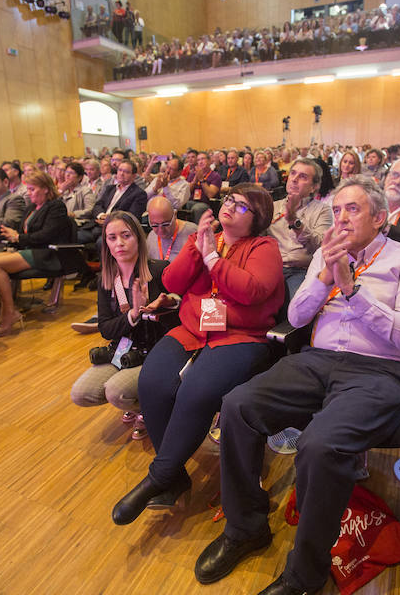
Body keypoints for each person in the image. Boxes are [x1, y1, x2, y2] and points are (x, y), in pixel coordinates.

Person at [193, 175, 400, 594]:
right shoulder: (326, 251)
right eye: (336, 210)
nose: (340, 218)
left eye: (351, 210)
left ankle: (306, 575)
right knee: (237, 405)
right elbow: (298, 318)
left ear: (379, 217)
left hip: (378, 370)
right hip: (317, 360)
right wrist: (323, 278)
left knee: (319, 445)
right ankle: (246, 527)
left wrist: (351, 289)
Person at [111, 184, 283, 526]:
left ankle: (160, 476)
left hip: (239, 336)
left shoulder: (265, 247)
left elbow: (253, 291)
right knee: (153, 383)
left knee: (196, 391)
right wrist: (196, 246)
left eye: (242, 206)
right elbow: (172, 281)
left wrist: (212, 261)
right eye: (230, 200)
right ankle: (174, 476)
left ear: (258, 217)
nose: (231, 206)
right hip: (192, 328)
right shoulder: (207, 238)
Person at [70, 211, 178, 440]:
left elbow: (179, 317)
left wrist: (167, 303)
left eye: (125, 235)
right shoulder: (107, 280)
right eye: (112, 237)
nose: (119, 243)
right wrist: (132, 314)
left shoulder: (159, 270)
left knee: (116, 391)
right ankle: (143, 405)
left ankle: (153, 410)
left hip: (156, 353)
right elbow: (106, 329)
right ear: (106, 243)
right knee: (81, 393)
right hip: (124, 350)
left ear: (138, 238)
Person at [0, 171, 71, 337]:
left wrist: (18, 237)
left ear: (45, 189)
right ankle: (7, 309)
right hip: (32, 249)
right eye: (28, 189)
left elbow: (47, 235)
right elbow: (24, 233)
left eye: (32, 189)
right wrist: (13, 234)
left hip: (49, 253)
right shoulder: (31, 207)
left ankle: (9, 312)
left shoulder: (56, 206)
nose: (29, 193)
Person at [266, 158, 332, 294]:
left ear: (314, 187)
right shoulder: (272, 206)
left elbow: (320, 246)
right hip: (270, 267)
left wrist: (295, 223)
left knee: (296, 308)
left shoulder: (322, 210)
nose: (294, 179)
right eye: (293, 174)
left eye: (303, 177)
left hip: (300, 271)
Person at [144, 197, 197, 262]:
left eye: (165, 224)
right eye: (155, 225)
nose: (161, 230)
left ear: (175, 215)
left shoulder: (192, 233)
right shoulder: (151, 236)